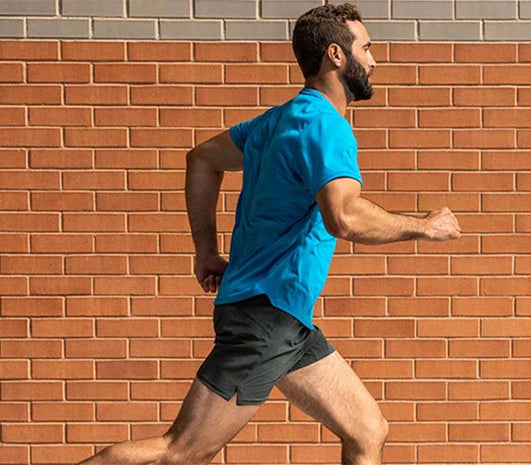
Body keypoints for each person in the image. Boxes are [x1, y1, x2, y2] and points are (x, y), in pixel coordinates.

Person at [78, 3, 461, 465]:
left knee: (367, 430)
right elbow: (345, 217)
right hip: (266, 319)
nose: (375, 60)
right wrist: (424, 227)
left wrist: (206, 252)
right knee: (181, 451)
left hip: (286, 319)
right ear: (337, 55)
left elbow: (202, 158)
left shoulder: (278, 121)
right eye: (368, 48)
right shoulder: (324, 127)